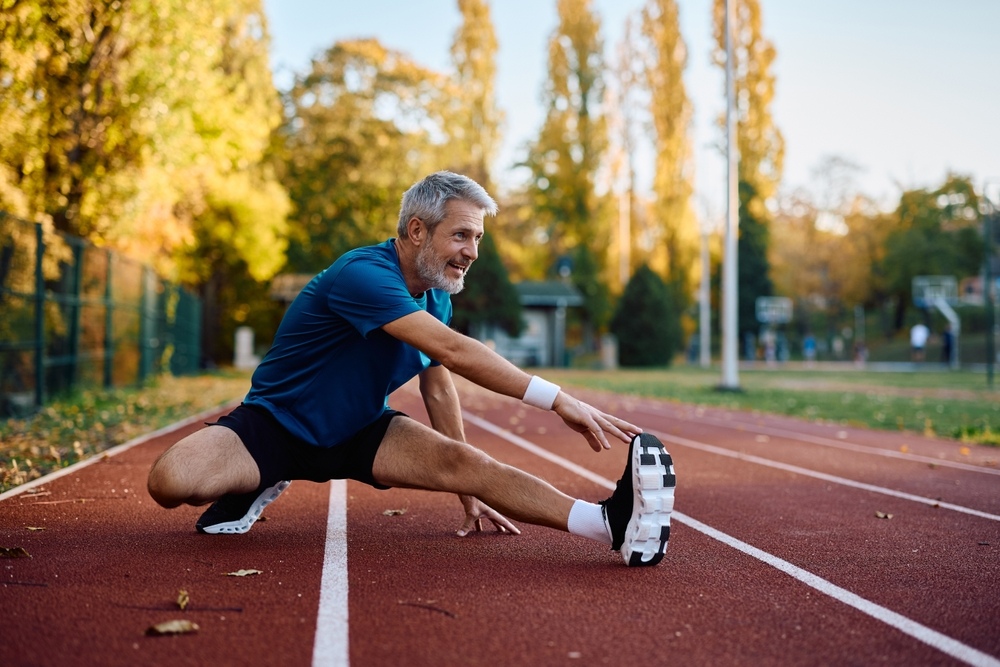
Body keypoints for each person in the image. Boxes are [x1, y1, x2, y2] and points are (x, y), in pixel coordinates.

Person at [147, 171, 675, 567]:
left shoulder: (436, 295)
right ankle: (260, 478)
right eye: (461, 236)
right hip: (275, 426)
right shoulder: (362, 275)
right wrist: (557, 398)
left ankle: (609, 523)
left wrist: (466, 492)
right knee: (169, 481)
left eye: (477, 240)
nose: (471, 253)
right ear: (417, 230)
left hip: (361, 430)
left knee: (473, 464)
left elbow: (440, 384)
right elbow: (461, 352)